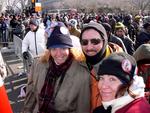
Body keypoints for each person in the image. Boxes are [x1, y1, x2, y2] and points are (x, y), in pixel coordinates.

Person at [23, 23, 90, 113]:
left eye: (63, 48)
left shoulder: (82, 74)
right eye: (54, 49)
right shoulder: (38, 65)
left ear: (69, 49)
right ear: (49, 50)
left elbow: (83, 108)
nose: (58, 54)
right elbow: (31, 93)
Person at [79, 21, 123, 112]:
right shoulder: (77, 63)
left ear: (104, 40)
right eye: (84, 42)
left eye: (95, 41)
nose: (89, 47)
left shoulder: (121, 64)